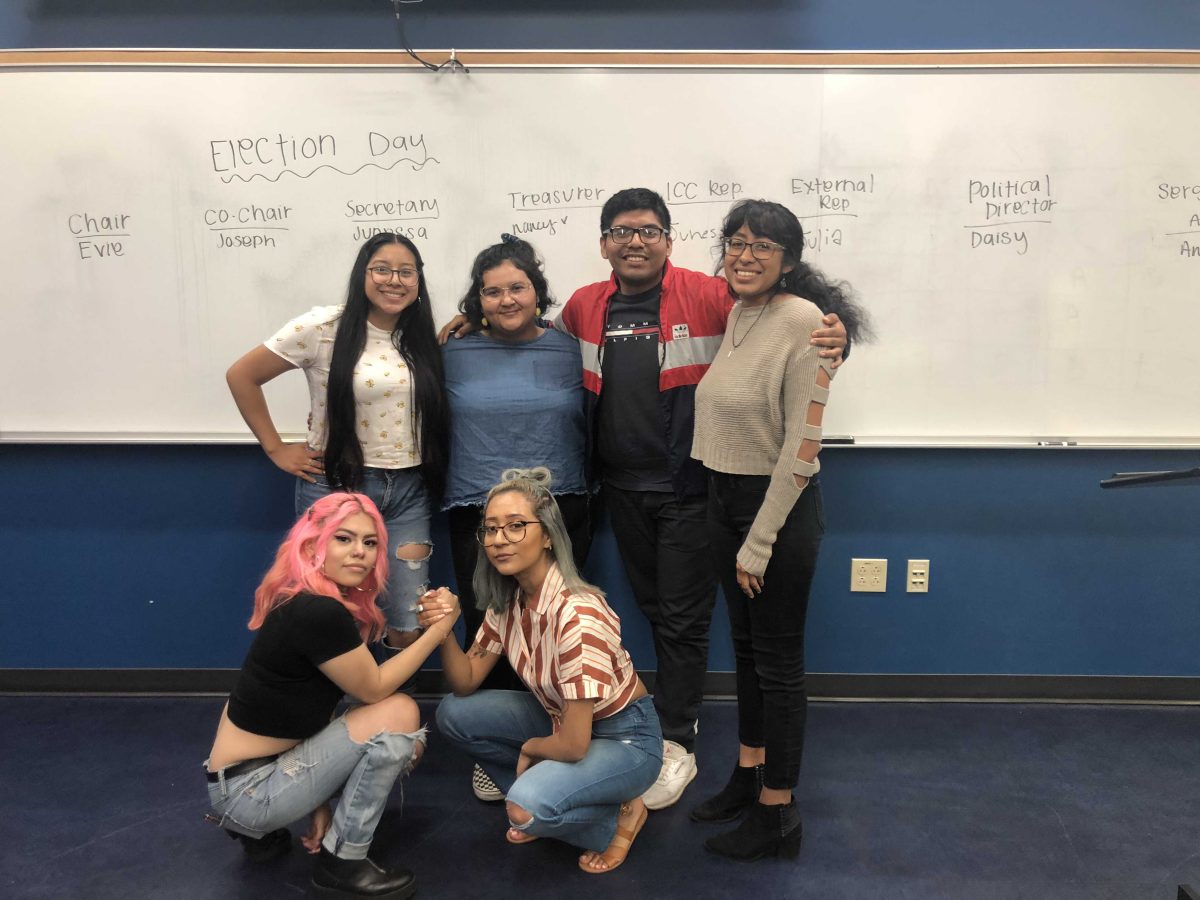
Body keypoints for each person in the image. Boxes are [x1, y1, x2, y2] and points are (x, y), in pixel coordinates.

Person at [552, 187, 849, 810]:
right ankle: (720, 756)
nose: (635, 241)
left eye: (649, 230)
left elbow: (789, 311)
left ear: (669, 239)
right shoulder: (584, 306)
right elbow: (535, 339)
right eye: (622, 231)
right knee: (658, 609)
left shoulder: (712, 292)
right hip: (622, 489)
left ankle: (677, 740)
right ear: (604, 242)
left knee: (688, 621)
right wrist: (470, 319)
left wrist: (836, 332)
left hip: (693, 487)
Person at [690, 199, 869, 861]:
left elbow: (802, 447)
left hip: (777, 511)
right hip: (725, 500)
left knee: (779, 666)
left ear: (789, 260)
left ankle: (778, 814)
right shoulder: (740, 312)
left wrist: (758, 542)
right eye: (736, 242)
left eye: (763, 245)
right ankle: (747, 774)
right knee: (747, 656)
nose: (745, 255)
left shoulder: (805, 323)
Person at [204, 492, 460, 898]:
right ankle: (342, 862)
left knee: (372, 713)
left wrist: (318, 802)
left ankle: (257, 831)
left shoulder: (301, 600)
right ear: (313, 545)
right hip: (250, 793)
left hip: (233, 783)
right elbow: (374, 688)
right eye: (344, 539)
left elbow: (300, 710)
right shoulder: (318, 612)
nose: (360, 552)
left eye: (370, 542)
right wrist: (439, 631)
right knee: (399, 713)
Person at [425, 468, 662, 874]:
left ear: (549, 535)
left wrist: (531, 749)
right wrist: (443, 630)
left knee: (523, 810)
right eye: (492, 530)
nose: (500, 540)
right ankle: (557, 800)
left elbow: (572, 745)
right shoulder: (509, 600)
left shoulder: (577, 614)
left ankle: (617, 819)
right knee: (453, 714)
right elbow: (464, 683)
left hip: (626, 738)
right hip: (562, 719)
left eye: (516, 527)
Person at [227, 233, 450, 651]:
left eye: (407, 272)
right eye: (382, 269)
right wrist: (276, 448)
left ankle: (392, 710)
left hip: (408, 492)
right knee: (333, 615)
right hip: (337, 486)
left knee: (407, 616)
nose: (394, 280)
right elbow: (242, 375)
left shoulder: (420, 337)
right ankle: (336, 711)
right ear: (362, 274)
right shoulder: (322, 327)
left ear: (419, 281)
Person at [442, 236, 595, 801]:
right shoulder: (452, 351)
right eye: (492, 291)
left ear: (537, 293)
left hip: (559, 509)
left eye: (517, 287)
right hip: (477, 510)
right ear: (477, 300)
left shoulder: (568, 347)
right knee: (492, 622)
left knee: (556, 624)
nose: (506, 299)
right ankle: (499, 749)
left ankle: (561, 737)